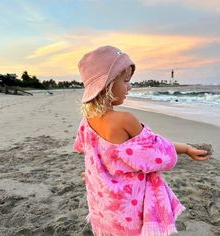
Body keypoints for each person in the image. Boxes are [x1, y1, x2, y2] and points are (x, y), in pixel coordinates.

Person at [73, 45, 210, 236]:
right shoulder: (126, 120)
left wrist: (91, 173)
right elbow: (156, 151)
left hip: (105, 204)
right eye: (126, 80)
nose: (130, 86)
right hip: (130, 207)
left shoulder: (86, 122)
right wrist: (186, 148)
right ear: (108, 84)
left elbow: (91, 154)